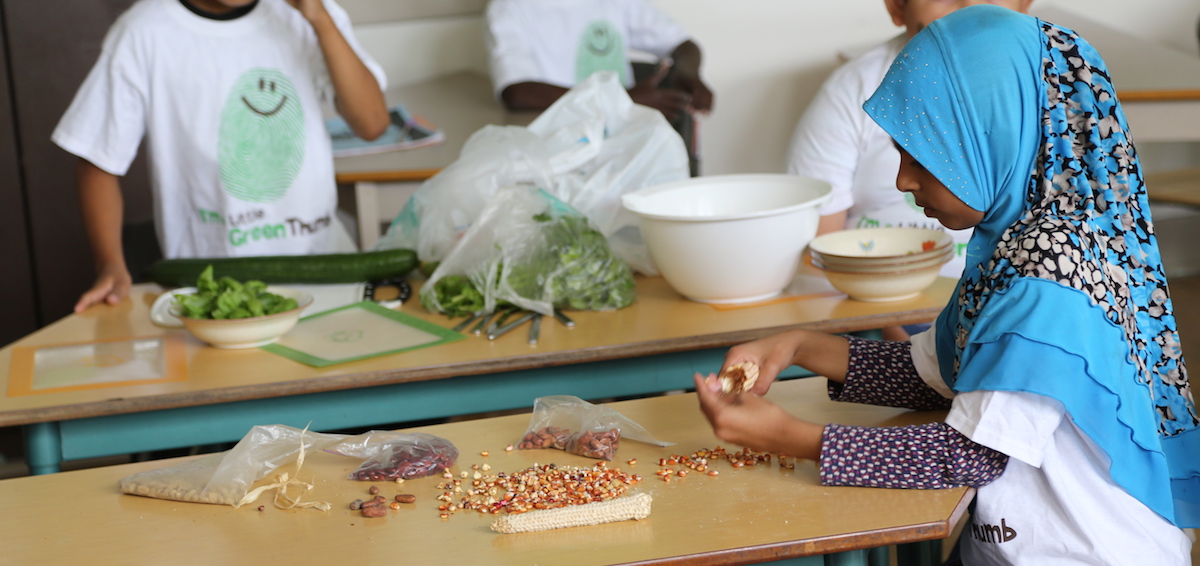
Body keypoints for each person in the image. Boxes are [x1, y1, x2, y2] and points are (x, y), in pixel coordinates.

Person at [697, 6, 1199, 564]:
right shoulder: (1013, 248)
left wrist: (787, 436)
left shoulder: (1050, 278)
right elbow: (931, 376)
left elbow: (963, 457)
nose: (902, 180)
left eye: (925, 158)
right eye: (899, 155)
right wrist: (796, 346)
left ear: (993, 140)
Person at [54, 0, 390, 313]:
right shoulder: (144, 31)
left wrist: (320, 20)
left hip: (325, 268)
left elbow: (373, 123)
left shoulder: (309, 13)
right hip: (214, 289)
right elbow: (97, 158)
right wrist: (110, 263)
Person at [786, 0, 1034, 300]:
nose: (968, 9)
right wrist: (889, 321)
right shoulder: (851, 89)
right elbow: (818, 253)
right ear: (897, 7)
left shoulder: (1049, 96)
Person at [484, 0, 712, 174]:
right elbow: (516, 92)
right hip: (562, 153)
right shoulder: (509, 8)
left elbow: (684, 45)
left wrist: (689, 75)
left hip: (627, 143)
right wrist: (621, 99)